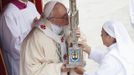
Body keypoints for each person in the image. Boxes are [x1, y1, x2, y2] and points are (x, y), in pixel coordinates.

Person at [20, 1, 80, 75]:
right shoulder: (36, 38)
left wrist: (75, 38)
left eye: (67, 14)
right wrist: (58, 68)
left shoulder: (66, 27)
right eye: (64, 17)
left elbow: (78, 46)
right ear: (52, 19)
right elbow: (30, 70)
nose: (68, 19)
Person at [0, 0, 40, 75]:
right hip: (21, 68)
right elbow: (15, 48)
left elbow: (40, 25)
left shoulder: (31, 6)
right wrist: (32, 29)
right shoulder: (8, 14)